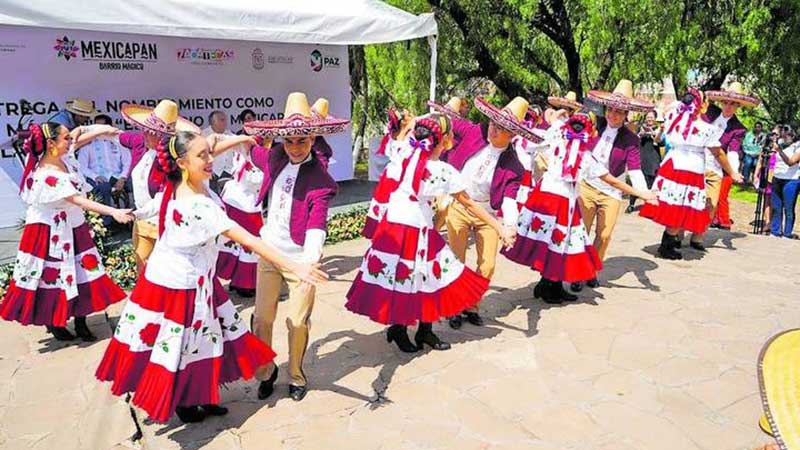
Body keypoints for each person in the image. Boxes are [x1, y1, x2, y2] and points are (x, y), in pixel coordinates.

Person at [95, 131, 328, 424]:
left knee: (205, 339)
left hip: (197, 280)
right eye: (202, 156)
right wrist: (297, 267)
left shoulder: (186, 183)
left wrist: (238, 138)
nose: (210, 159)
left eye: (209, 153)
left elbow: (209, 152)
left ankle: (201, 395)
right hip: (178, 284)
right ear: (182, 162)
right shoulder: (198, 203)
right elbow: (247, 239)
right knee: (179, 344)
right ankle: (184, 401)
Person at [214, 92, 348, 402]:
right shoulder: (274, 156)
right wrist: (237, 140)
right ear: (281, 140)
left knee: (297, 321)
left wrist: (310, 261)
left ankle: (296, 375)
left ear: (313, 139)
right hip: (268, 251)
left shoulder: (321, 180)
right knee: (261, 318)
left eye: (302, 140)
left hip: (300, 258)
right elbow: (251, 147)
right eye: (289, 141)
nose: (295, 147)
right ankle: (266, 371)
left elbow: (317, 223)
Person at [346, 113, 513, 352]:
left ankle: (425, 331)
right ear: (444, 140)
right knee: (409, 277)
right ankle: (399, 328)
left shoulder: (404, 152)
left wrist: (412, 124)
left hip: (402, 227)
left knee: (428, 276)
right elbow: (470, 203)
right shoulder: (439, 169)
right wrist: (500, 227)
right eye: (450, 135)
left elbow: (402, 135)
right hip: (408, 229)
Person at [503, 111, 655, 303]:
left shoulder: (558, 137)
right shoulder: (585, 156)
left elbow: (534, 137)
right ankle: (550, 287)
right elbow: (611, 180)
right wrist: (642, 194)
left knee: (547, 240)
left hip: (544, 196)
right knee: (560, 242)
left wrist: (516, 127)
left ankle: (547, 284)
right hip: (561, 200)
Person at [0, 122, 132, 342]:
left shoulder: (63, 156)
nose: (71, 141)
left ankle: (81, 321)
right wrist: (114, 212)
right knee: (52, 277)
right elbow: (76, 199)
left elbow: (79, 135)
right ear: (51, 144)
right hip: (48, 232)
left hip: (72, 224)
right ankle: (54, 321)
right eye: (65, 138)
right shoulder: (46, 174)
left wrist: (105, 130)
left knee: (83, 273)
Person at [437, 96, 532, 329]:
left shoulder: (514, 166)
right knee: (456, 259)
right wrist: (455, 102)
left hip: (487, 213)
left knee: (487, 264)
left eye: (501, 128)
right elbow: (446, 119)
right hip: (459, 205)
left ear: (512, 134)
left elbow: (509, 200)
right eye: (493, 123)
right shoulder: (474, 131)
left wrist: (509, 226)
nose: (494, 129)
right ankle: (453, 306)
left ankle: (472, 304)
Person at [575, 80, 655, 292]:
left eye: (619, 111)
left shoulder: (630, 139)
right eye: (610, 109)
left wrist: (644, 193)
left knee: (604, 234)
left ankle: (592, 269)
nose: (613, 115)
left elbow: (635, 169)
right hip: (587, 185)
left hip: (611, 191)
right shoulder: (595, 125)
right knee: (581, 231)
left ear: (626, 113)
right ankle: (577, 270)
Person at [640, 89, 733, 259]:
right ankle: (666, 245)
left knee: (673, 205)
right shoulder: (705, 129)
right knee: (681, 206)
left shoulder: (674, 120)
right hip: (690, 169)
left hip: (671, 164)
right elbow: (718, 153)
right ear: (701, 105)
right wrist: (732, 172)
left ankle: (669, 241)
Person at [120, 100, 201, 274]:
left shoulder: (171, 163)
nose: (145, 135)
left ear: (163, 136)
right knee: (141, 269)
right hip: (142, 222)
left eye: (151, 133)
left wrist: (134, 213)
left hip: (165, 224)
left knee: (166, 272)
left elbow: (163, 197)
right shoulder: (144, 150)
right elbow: (115, 134)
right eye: (145, 130)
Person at [700, 82, 756, 235]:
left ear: (738, 106)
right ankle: (677, 233)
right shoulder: (710, 112)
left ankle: (698, 235)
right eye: (725, 102)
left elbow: (733, 151)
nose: (728, 107)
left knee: (711, 202)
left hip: (714, 165)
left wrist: (734, 171)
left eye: (733, 104)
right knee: (690, 199)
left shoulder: (738, 128)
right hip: (695, 160)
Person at [77, 115, 132, 224]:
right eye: (96, 126)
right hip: (97, 178)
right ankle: (106, 224)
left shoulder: (119, 141)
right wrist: (95, 176)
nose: (99, 129)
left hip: (118, 176)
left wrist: (123, 178)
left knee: (135, 183)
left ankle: (133, 219)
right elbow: (82, 166)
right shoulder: (87, 143)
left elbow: (128, 162)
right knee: (103, 187)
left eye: (101, 126)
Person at [628, 110, 662, 213]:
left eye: (651, 117)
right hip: (641, 157)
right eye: (648, 117)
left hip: (653, 158)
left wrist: (654, 134)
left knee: (652, 182)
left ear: (655, 119)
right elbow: (633, 141)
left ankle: (651, 205)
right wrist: (640, 134)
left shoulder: (659, 129)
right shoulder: (639, 128)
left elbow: (662, 143)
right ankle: (631, 204)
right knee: (636, 181)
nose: (649, 119)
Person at [771, 130, 800, 238]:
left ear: (793, 135)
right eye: (783, 135)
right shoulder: (781, 143)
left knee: (788, 208)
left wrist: (779, 151)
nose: (784, 137)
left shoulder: (798, 146)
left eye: (787, 135)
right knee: (776, 207)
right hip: (777, 177)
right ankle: (775, 231)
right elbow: (773, 160)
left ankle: (787, 234)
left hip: (791, 180)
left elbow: (791, 162)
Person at [204, 110, 234, 193]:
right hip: (212, 174)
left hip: (228, 172)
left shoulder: (230, 134)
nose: (225, 122)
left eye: (225, 120)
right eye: (222, 120)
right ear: (213, 122)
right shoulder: (203, 135)